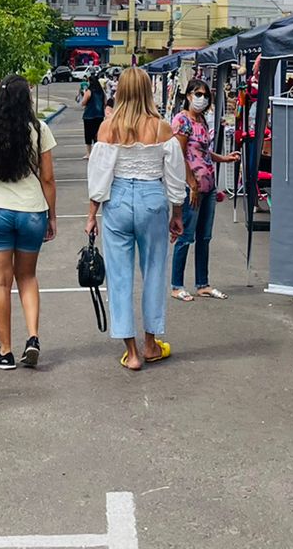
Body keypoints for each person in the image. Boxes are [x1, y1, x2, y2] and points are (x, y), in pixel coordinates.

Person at [86, 66, 185, 371]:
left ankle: (131, 352)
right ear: (146, 90)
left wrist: (92, 215)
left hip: (117, 201)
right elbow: (174, 177)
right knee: (154, 270)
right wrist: (177, 212)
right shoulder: (161, 127)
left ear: (120, 91)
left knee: (119, 276)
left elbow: (99, 176)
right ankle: (152, 343)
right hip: (152, 199)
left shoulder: (108, 128)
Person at [0, 76, 57, 369]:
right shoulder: (38, 129)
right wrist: (52, 215)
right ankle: (33, 338)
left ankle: (5, 351)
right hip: (32, 210)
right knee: (27, 277)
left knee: (0, 282)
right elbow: (47, 177)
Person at [169, 78, 240, 302]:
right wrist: (191, 183)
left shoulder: (201, 121)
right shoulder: (182, 121)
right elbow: (180, 156)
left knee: (205, 237)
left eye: (205, 95)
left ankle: (203, 283)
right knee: (186, 236)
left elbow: (204, 152)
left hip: (209, 185)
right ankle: (176, 284)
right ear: (188, 95)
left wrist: (224, 159)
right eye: (197, 94)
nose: (202, 98)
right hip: (193, 188)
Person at [78, 73, 107, 159]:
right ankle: (97, 153)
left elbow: (83, 102)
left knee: (88, 135)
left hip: (89, 116)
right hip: (100, 115)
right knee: (97, 135)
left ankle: (88, 153)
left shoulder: (89, 91)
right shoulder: (101, 92)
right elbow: (105, 102)